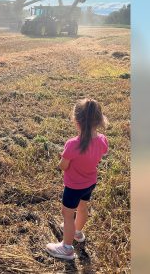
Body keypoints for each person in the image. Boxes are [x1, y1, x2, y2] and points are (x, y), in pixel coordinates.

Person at [46, 98, 108, 260]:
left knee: (67, 214)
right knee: (83, 207)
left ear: (76, 120)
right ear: (100, 119)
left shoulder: (72, 144)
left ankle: (66, 248)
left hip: (73, 186)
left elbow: (63, 166)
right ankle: (77, 232)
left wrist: (62, 159)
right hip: (90, 183)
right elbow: (99, 156)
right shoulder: (102, 140)